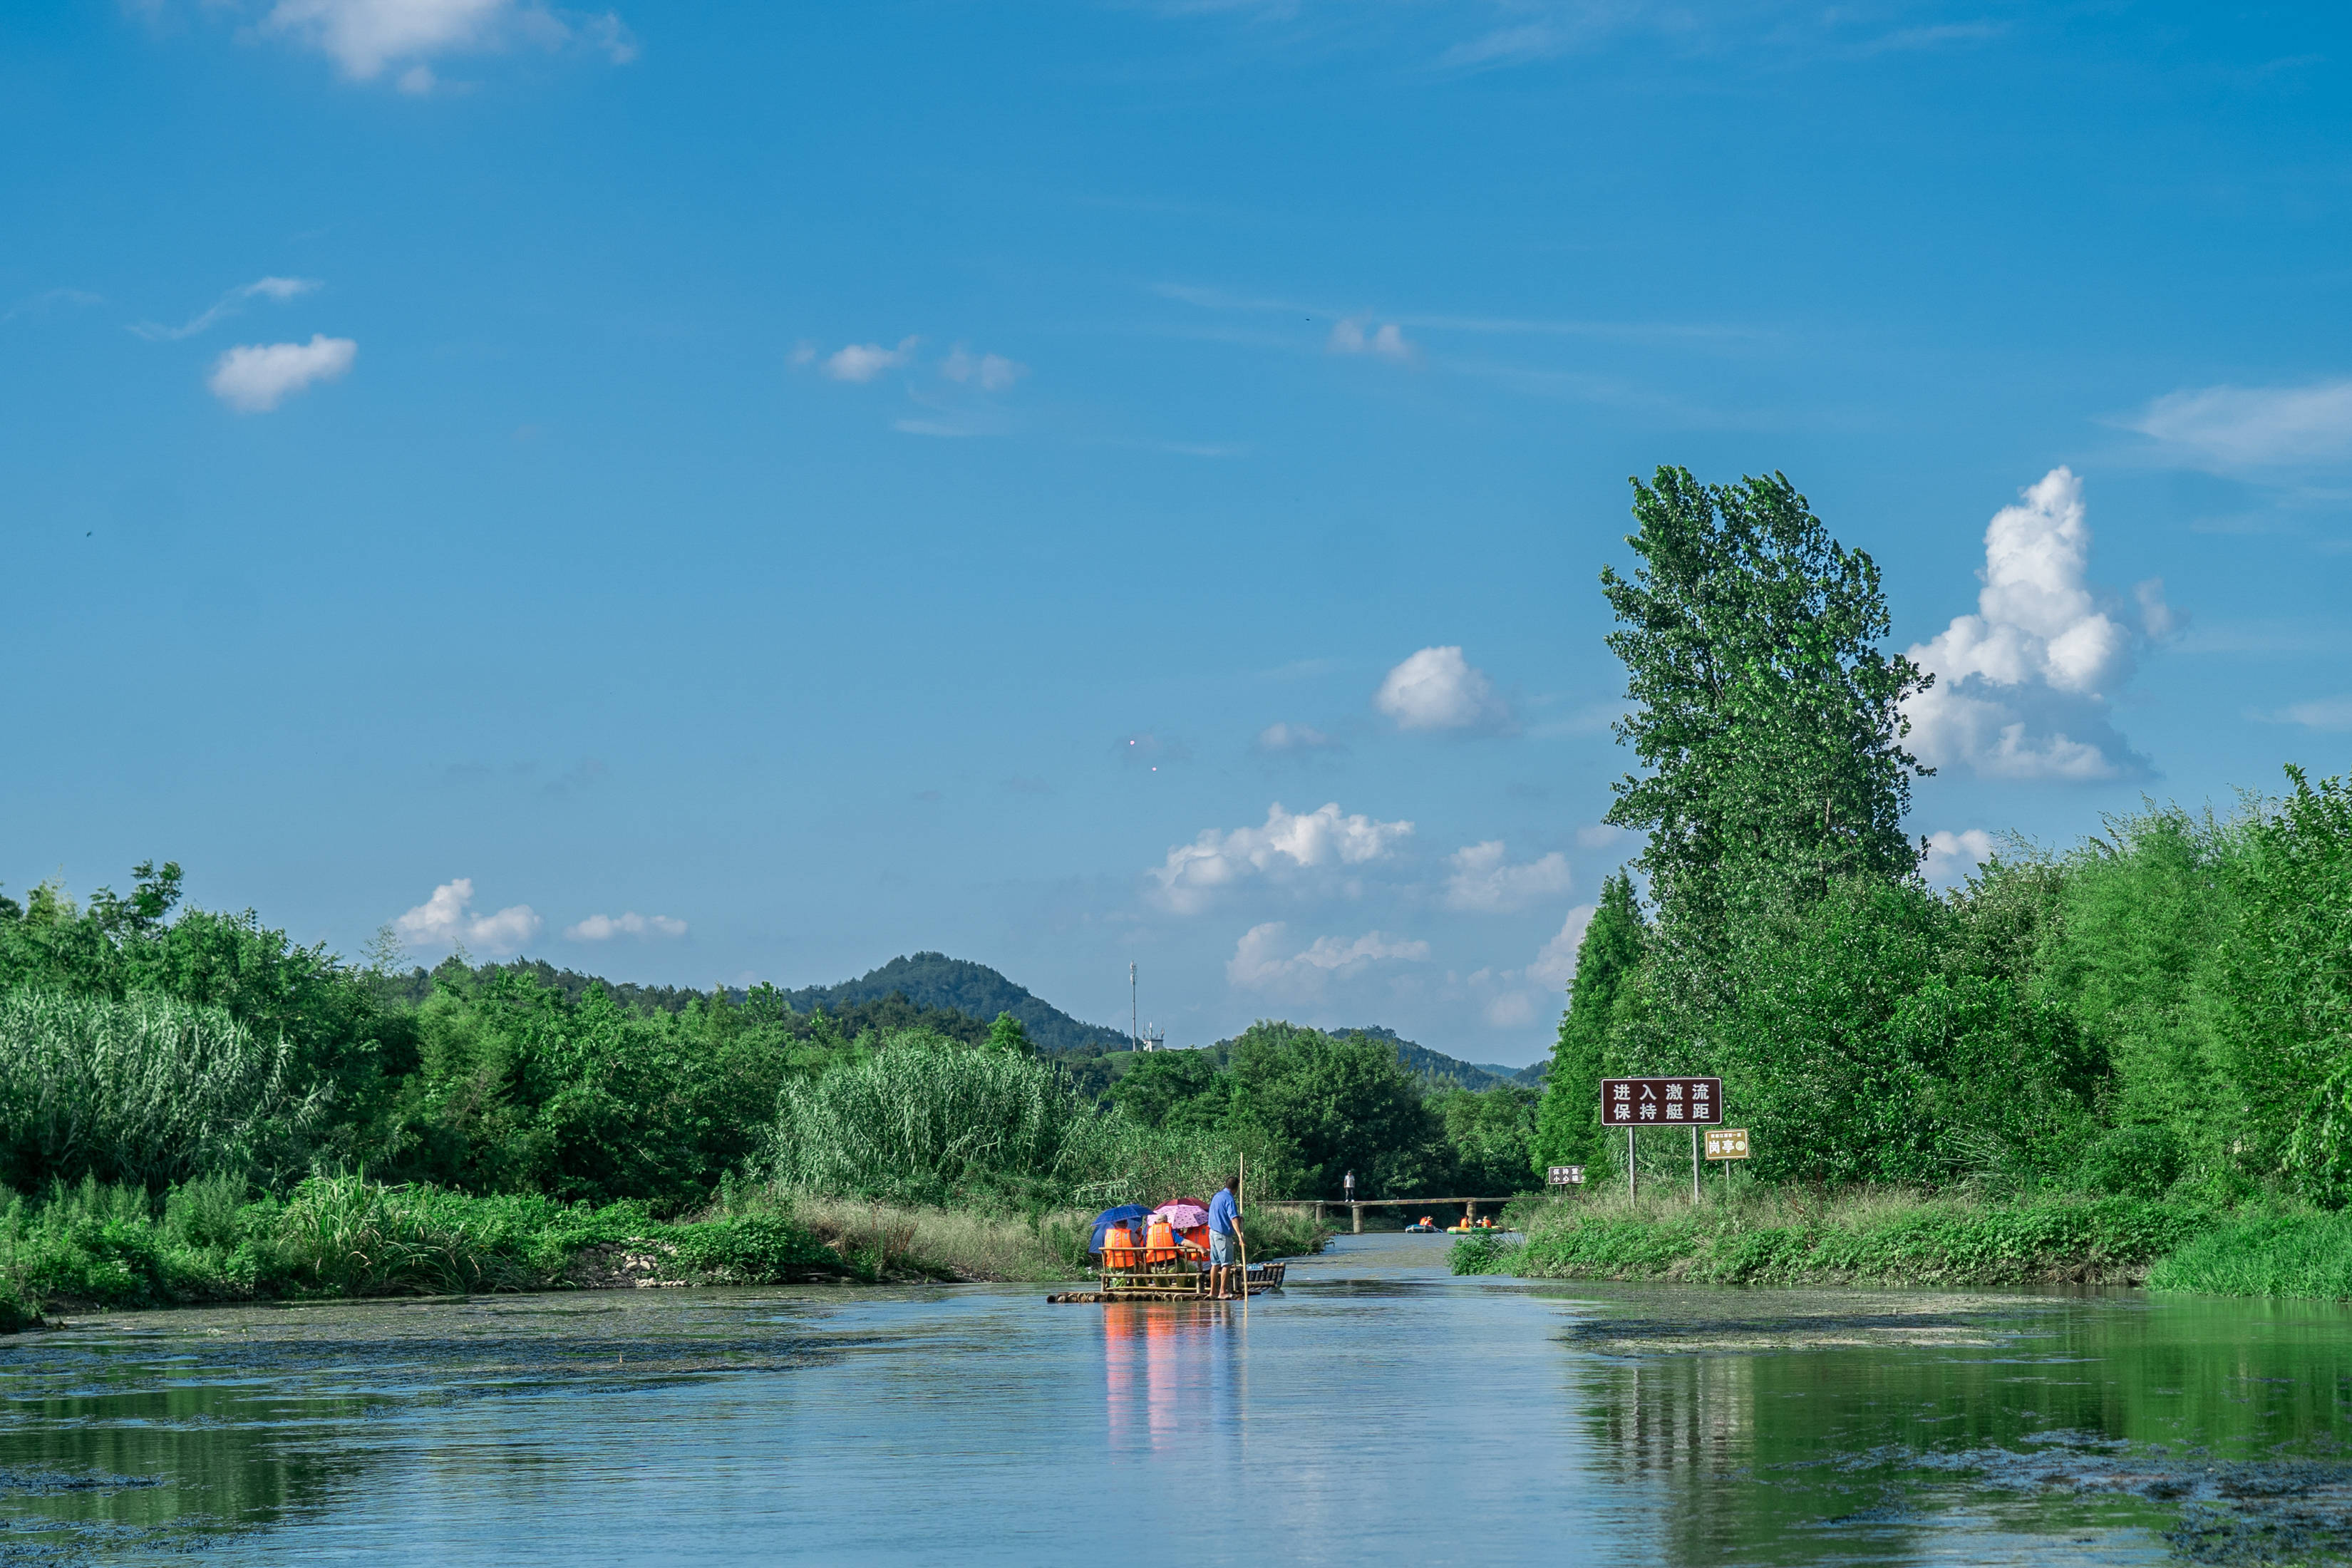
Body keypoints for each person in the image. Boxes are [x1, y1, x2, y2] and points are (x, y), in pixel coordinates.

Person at [1207, 1175, 1244, 1299]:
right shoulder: (1229, 1199)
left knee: (1215, 1263)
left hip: (1212, 1232)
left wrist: (1238, 1219)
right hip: (1222, 1234)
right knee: (1227, 1263)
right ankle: (1222, 1292)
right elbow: (1233, 1218)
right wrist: (1240, 1236)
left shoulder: (1217, 1196)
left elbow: (1223, 1215)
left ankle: (1213, 1291)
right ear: (1236, 1188)